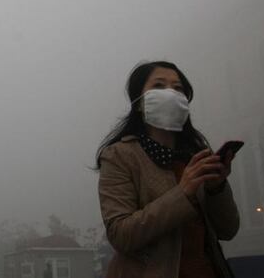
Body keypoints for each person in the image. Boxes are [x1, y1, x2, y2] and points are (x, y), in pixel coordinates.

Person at [95, 61, 239, 278]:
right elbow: (120, 235)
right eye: (159, 86)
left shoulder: (195, 155)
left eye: (178, 88)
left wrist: (216, 188)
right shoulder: (119, 156)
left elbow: (228, 230)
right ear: (139, 103)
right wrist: (183, 193)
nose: (170, 93)